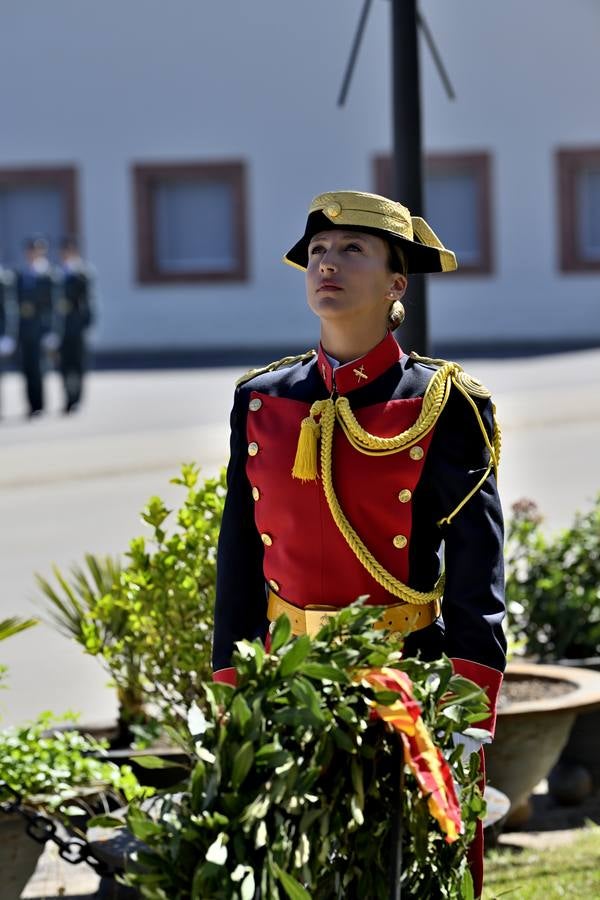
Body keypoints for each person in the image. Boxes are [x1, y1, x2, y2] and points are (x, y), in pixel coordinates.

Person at [212, 190, 506, 896]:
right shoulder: (263, 398)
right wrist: (231, 688)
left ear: (396, 284)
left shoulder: (445, 402)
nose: (327, 265)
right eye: (317, 252)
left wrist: (469, 710)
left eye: (351, 251)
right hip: (286, 678)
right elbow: (239, 558)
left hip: (404, 677)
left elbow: (477, 573)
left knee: (407, 876)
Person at [14, 237, 56, 417]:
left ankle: (39, 405)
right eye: (30, 251)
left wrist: (52, 331)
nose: (32, 254)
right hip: (25, 329)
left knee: (39, 369)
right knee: (27, 369)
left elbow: (53, 306)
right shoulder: (22, 274)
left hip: (40, 329)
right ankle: (31, 405)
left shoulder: (48, 275)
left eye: (36, 250)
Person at [56, 237, 94, 413]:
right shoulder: (58, 274)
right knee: (64, 365)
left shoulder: (81, 273)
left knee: (77, 365)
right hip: (61, 327)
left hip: (76, 326)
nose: (65, 255)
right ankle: (67, 398)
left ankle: (76, 399)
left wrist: (86, 324)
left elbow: (87, 302)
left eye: (69, 251)